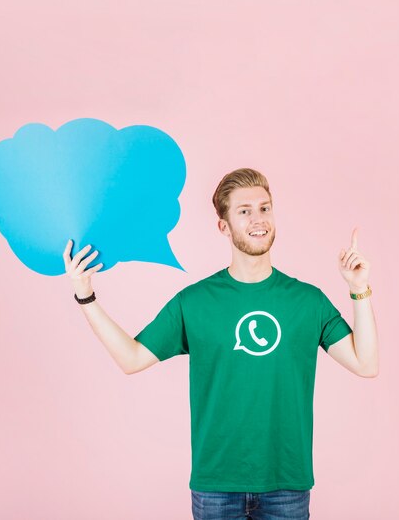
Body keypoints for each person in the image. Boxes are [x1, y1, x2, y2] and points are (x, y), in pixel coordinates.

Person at [63, 168, 378, 520]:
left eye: (265, 208)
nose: (258, 219)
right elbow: (132, 358)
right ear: (224, 226)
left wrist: (358, 287)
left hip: (287, 483)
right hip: (215, 486)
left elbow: (366, 363)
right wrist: (86, 296)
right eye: (244, 211)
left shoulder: (308, 301)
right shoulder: (194, 302)